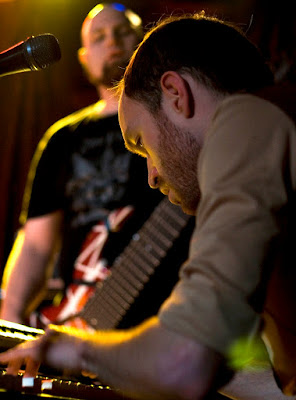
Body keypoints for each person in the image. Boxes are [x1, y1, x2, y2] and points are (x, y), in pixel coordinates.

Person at [1, 11, 296, 400]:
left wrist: (70, 349)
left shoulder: (250, 121)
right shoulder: (274, 140)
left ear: (176, 93)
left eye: (141, 143)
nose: (151, 176)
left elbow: (185, 363)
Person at [0, 3, 173, 329]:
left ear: (142, 43)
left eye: (122, 32)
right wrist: (9, 321)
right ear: (84, 58)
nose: (112, 42)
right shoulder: (62, 138)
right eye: (99, 37)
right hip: (79, 319)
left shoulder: (174, 119)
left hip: (159, 317)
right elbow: (36, 243)